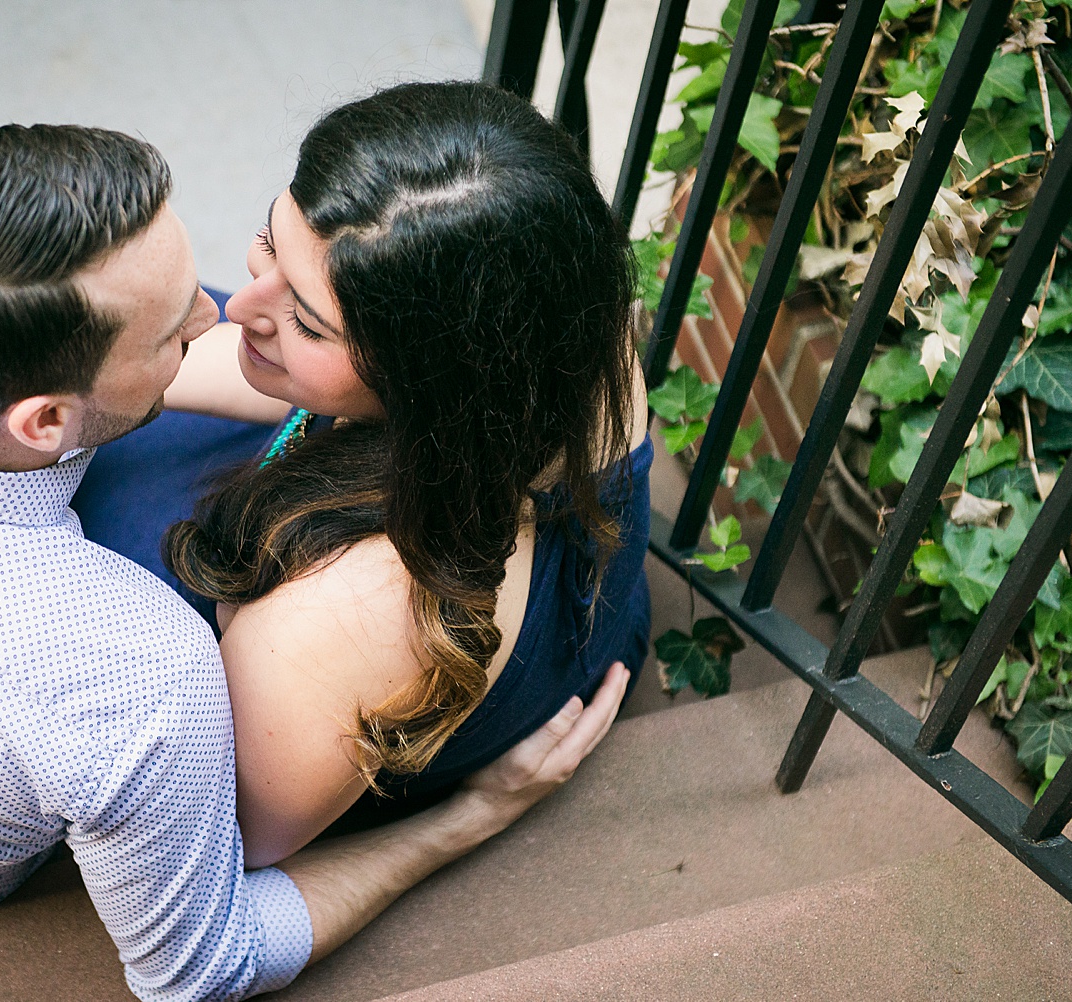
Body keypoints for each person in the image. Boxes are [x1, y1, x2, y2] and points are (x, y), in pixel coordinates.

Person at [0, 123, 628, 1000]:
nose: (223, 314)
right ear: (47, 420)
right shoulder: (133, 674)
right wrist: (463, 821)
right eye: (169, 330)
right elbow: (200, 963)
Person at [75, 81, 652, 868]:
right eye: (269, 241)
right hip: (555, 591)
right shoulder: (561, 315)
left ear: (433, 387)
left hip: (325, 707)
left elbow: (222, 860)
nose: (240, 304)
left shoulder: (345, 616)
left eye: (308, 321)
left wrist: (472, 817)